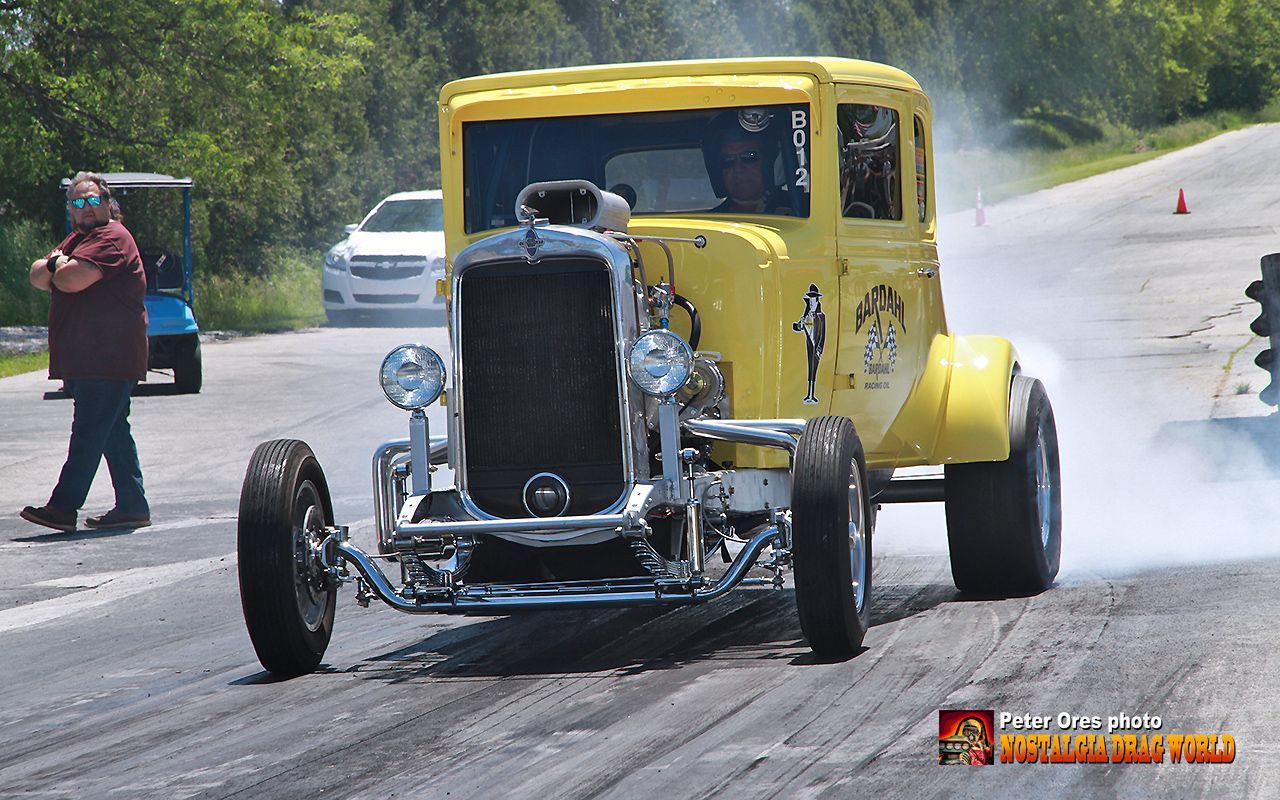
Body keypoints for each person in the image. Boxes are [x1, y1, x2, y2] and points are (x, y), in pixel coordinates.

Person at [20, 172, 151, 532]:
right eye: (78, 202)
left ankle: (63, 507)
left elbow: (71, 280)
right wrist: (55, 264)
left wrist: (58, 267)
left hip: (107, 358)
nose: (87, 208)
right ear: (71, 210)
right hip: (90, 359)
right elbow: (37, 275)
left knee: (89, 432)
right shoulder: (79, 238)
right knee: (111, 432)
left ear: (108, 204)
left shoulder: (111, 237)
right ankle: (133, 505)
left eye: (93, 200)